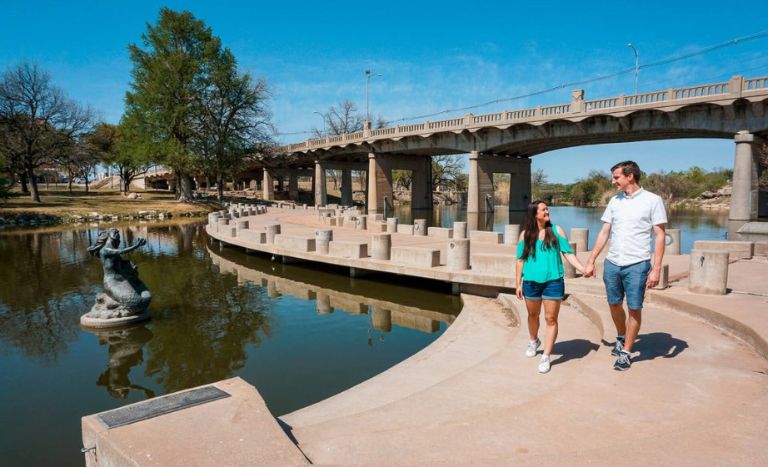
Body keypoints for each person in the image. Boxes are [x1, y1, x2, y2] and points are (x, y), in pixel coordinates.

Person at [583, 161, 667, 371]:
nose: (613, 181)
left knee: (634, 308)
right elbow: (604, 232)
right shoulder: (615, 201)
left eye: (616, 177)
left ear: (630, 176)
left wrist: (656, 268)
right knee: (613, 304)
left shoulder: (652, 201)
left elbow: (659, 235)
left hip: (637, 264)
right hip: (613, 263)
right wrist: (592, 259)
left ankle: (627, 352)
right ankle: (621, 336)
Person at [516, 200, 586, 374]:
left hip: (553, 282)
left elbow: (568, 254)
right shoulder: (525, 235)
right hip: (531, 282)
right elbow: (520, 260)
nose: (547, 211)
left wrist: (583, 269)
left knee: (551, 319)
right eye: (543, 209)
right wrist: (518, 283)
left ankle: (546, 356)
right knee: (533, 315)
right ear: (534, 214)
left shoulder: (556, 231)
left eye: (547, 208)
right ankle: (533, 341)